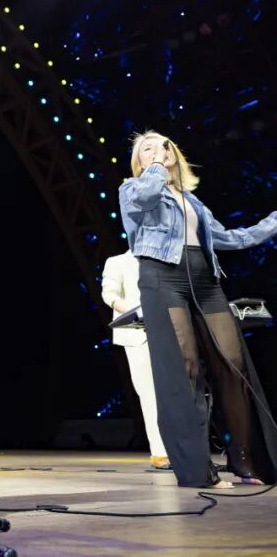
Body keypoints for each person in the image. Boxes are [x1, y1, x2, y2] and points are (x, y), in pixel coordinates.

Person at [118, 130, 277, 488]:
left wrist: (273, 222)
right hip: (163, 277)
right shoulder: (132, 188)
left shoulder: (193, 202)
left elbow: (231, 238)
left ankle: (244, 458)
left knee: (233, 364)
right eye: (147, 149)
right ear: (139, 162)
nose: (157, 150)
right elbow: (145, 197)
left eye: (163, 146)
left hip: (205, 282)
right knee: (186, 368)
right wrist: (156, 168)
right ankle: (197, 468)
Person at [101, 250, 169, 469]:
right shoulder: (117, 261)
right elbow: (109, 295)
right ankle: (160, 452)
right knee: (149, 393)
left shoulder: (162, 260)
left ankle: (185, 449)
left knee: (176, 391)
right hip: (138, 334)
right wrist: (138, 312)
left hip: (168, 332)